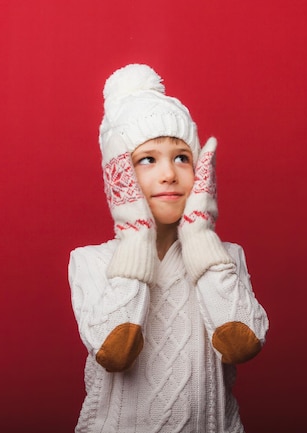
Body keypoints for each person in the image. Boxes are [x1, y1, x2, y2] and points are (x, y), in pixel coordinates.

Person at [68, 63, 269, 433]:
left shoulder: (226, 257)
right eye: (147, 159)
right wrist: (134, 237)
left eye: (182, 157)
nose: (168, 174)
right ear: (119, 178)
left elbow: (242, 344)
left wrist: (201, 242)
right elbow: (115, 351)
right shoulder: (91, 262)